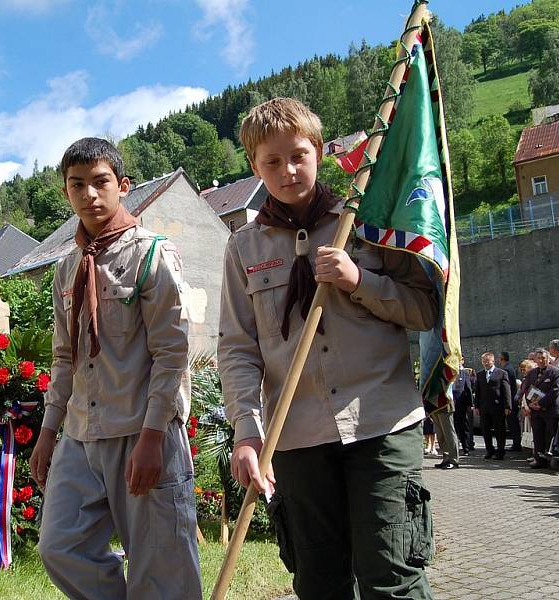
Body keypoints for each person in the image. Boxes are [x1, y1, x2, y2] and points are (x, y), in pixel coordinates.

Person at [219, 98, 437, 600]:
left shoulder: (368, 222)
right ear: (254, 166)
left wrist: (358, 279)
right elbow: (237, 349)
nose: (287, 170)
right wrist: (247, 434)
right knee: (319, 584)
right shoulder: (243, 249)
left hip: (381, 424)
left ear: (318, 151)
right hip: (295, 439)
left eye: (298, 155)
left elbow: (424, 310)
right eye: (271, 161)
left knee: (392, 577)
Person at [29, 138, 201, 600]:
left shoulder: (152, 255)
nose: (89, 194)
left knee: (161, 567)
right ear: (66, 192)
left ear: (123, 186)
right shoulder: (67, 269)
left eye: (100, 181)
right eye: (77, 184)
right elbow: (63, 357)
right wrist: (48, 432)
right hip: (82, 435)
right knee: (59, 544)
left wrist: (152, 437)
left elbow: (171, 353)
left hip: (142, 429)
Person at [520, 348, 559, 468]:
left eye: (543, 358)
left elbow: (555, 390)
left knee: (550, 435)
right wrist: (530, 404)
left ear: (548, 359)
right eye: (539, 358)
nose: (541, 360)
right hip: (535, 410)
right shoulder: (532, 373)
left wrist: (541, 404)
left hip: (550, 410)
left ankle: (551, 460)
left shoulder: (556, 372)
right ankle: (539, 459)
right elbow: (526, 388)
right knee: (538, 435)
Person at [474, 352, 511, 459]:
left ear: (493, 361)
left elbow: (506, 391)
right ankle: (489, 450)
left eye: (488, 361)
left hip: (497, 406)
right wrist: (476, 406)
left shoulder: (501, 373)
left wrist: (507, 406)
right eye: (484, 361)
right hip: (484, 407)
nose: (485, 363)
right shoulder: (480, 374)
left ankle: (500, 451)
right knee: (485, 430)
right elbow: (478, 391)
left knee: (499, 430)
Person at [499, 351, 522, 451]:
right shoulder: (510, 368)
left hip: (510, 400)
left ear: (502, 359)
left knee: (512, 423)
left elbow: (507, 387)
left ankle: (516, 444)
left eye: (499, 359)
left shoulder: (506, 370)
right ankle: (516, 443)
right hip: (512, 399)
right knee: (512, 423)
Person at [452, 357, 475, 456]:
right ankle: (453, 448)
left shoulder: (465, 373)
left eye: (459, 360)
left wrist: (470, 404)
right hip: (451, 404)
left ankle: (466, 447)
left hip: (461, 404)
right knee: (453, 427)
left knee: (463, 427)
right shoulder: (449, 372)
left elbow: (468, 389)